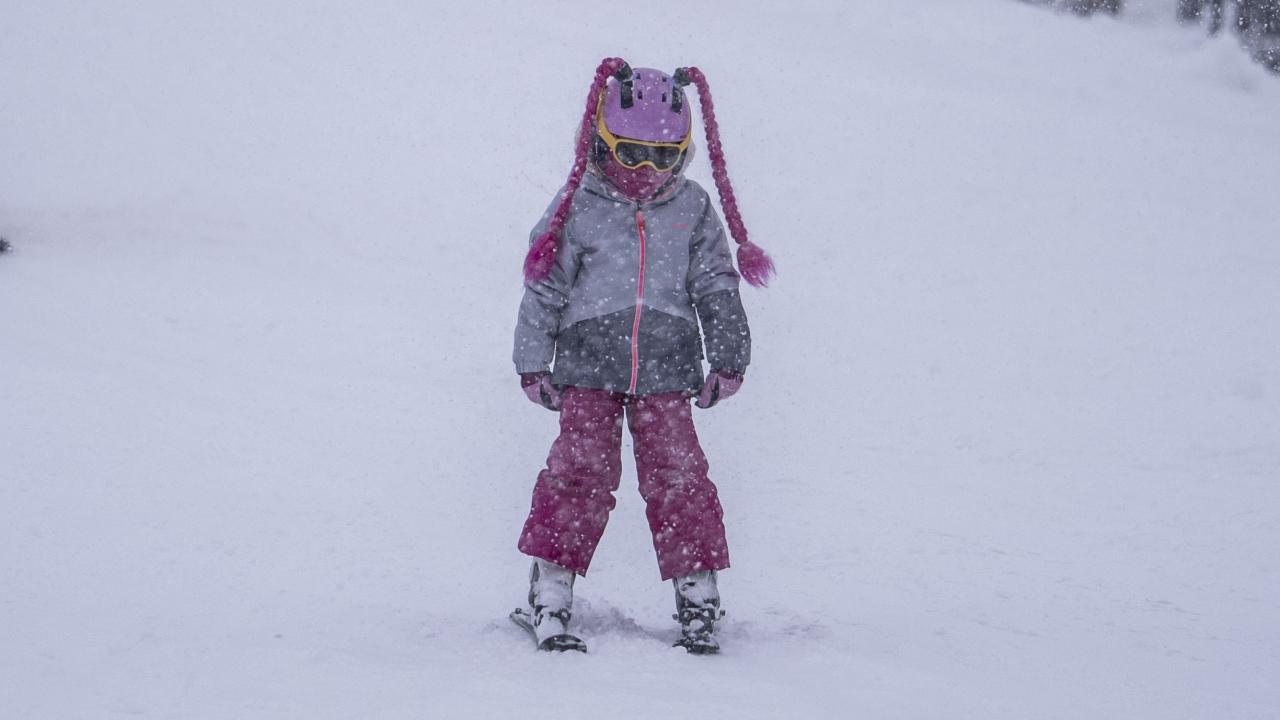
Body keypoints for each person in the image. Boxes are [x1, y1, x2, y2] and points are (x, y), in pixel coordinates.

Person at [511, 57, 773, 654]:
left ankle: (698, 597)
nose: (646, 171)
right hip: (585, 370)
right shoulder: (579, 203)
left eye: (664, 157)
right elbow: (545, 284)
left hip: (667, 371)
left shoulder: (693, 208)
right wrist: (533, 361)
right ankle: (551, 594)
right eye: (630, 154)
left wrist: (728, 356)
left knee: (679, 478)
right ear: (601, 145)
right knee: (579, 476)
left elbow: (715, 283)